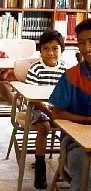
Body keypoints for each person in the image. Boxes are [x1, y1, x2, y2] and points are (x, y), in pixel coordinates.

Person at [49, 18, 91, 191]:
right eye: (82, 43)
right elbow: (56, 113)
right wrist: (88, 120)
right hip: (76, 144)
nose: (87, 48)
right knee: (86, 169)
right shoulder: (71, 76)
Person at [24, 29, 66, 189]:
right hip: (38, 107)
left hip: (57, 108)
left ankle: (65, 163)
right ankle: (40, 165)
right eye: (46, 48)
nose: (50, 53)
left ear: (61, 49)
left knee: (69, 127)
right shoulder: (35, 70)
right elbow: (32, 98)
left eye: (55, 48)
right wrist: (50, 112)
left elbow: (66, 94)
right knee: (44, 127)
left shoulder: (65, 69)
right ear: (40, 50)